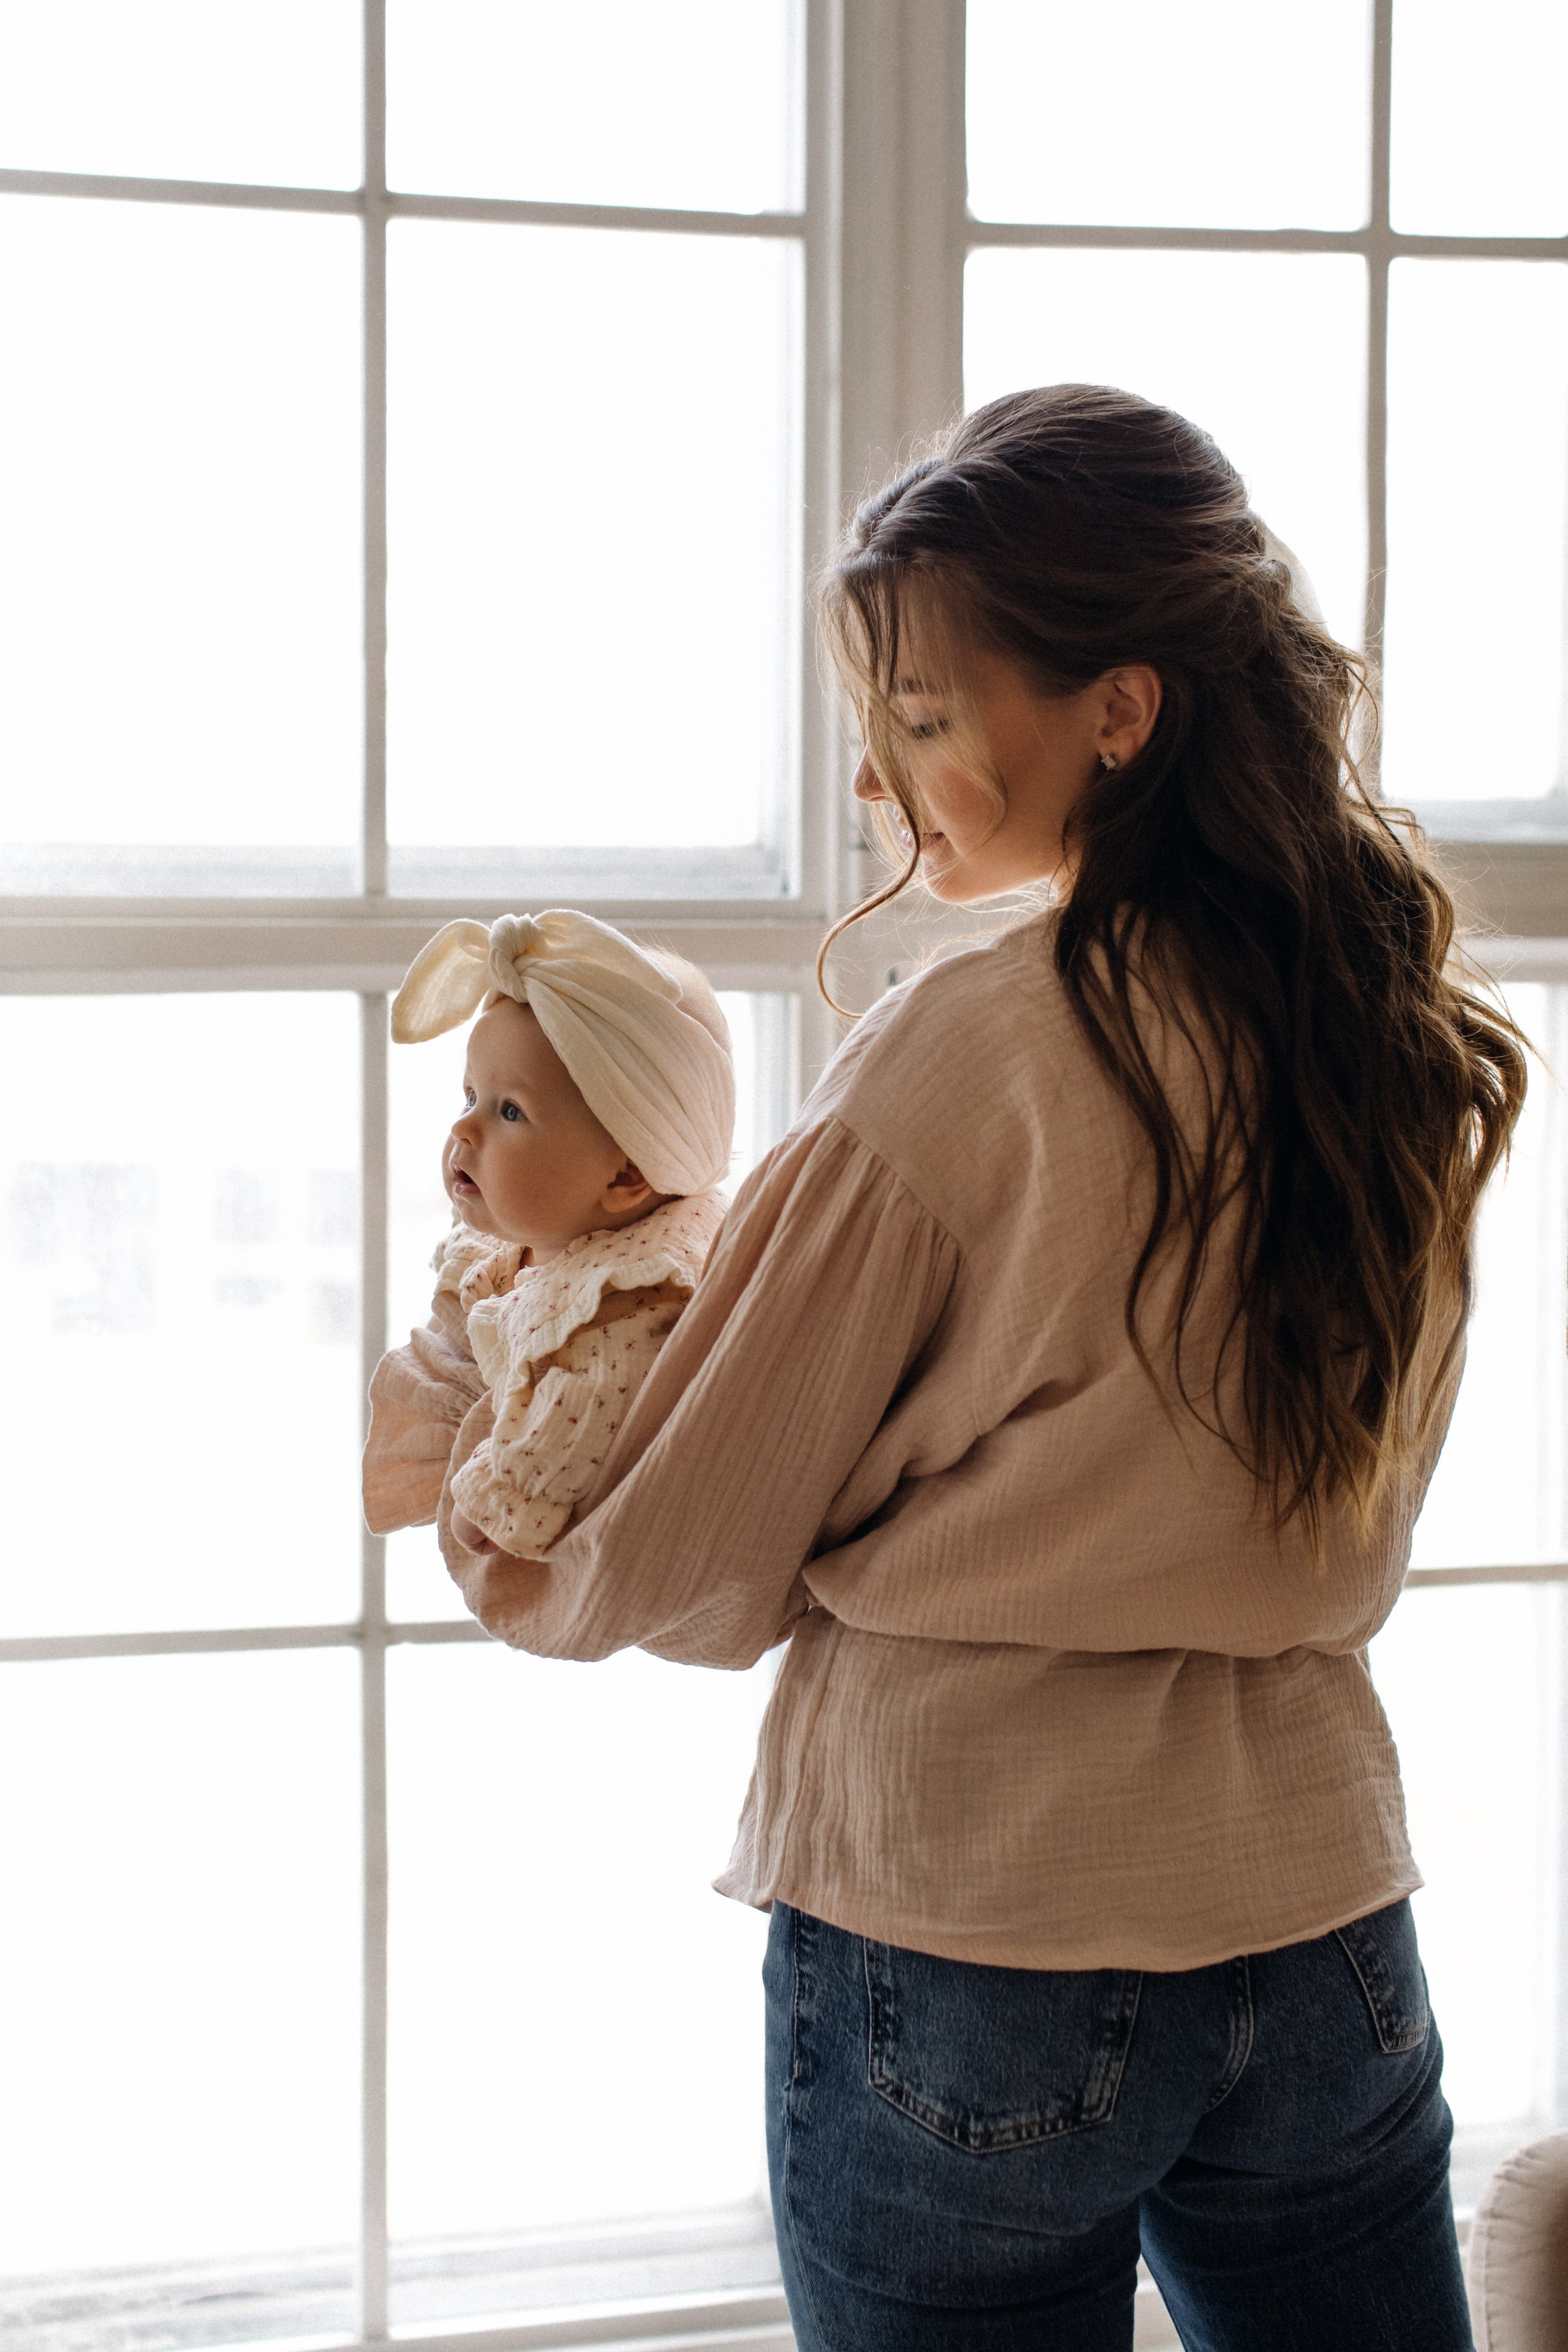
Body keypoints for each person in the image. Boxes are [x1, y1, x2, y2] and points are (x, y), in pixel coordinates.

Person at [406, 388, 1528, 2348]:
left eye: (923, 714)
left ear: (1120, 705)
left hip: (968, 1921)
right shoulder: (1389, 1027)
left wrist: (491, 1525)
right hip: (1322, 1906)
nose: (877, 775)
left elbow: (691, 1542)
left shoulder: (966, 1052)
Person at [362, 907, 734, 1561]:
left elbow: (587, 1408)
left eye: (510, 1111)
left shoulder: (630, 1296)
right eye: (469, 1096)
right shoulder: (556, 1221)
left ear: (626, 1173)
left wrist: (503, 1496)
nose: (464, 1131)